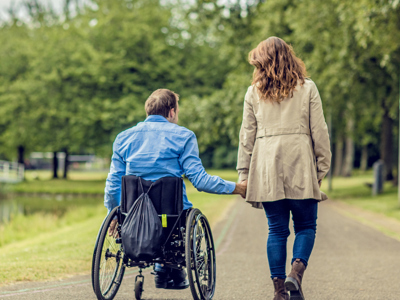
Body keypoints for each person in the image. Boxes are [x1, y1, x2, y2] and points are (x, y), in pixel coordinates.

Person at [104, 88, 247, 289]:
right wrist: (237, 188)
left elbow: (113, 184)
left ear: (148, 112)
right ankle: (168, 268)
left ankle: (163, 269)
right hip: (172, 216)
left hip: (133, 215)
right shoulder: (184, 136)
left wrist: (115, 212)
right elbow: (200, 180)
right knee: (178, 216)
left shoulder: (123, 138)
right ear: (171, 112)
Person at [237, 37, 331, 300]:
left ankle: (280, 291)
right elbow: (320, 131)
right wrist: (321, 168)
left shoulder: (252, 92)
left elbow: (247, 136)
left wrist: (244, 174)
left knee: (276, 230)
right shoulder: (308, 88)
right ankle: (296, 274)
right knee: (306, 227)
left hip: (266, 165)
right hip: (300, 161)